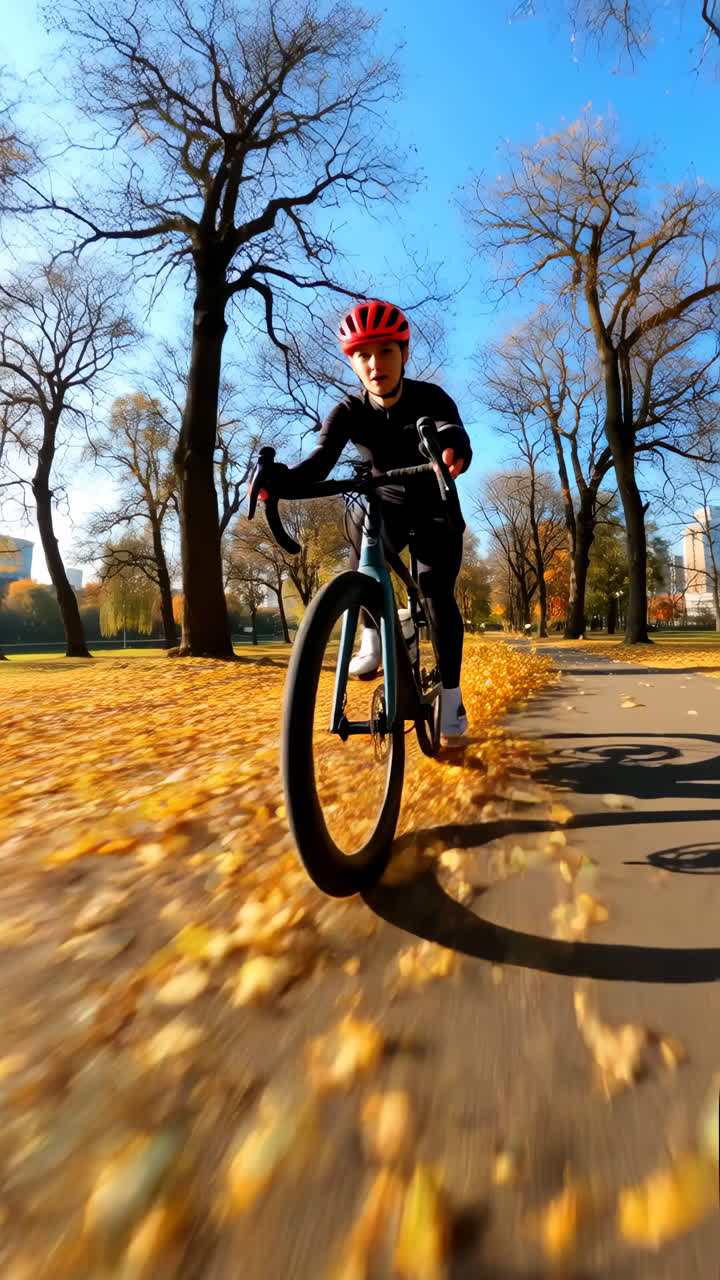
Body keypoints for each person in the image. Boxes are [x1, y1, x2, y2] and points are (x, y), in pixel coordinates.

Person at [261, 299, 473, 737]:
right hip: (384, 502)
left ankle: (452, 698)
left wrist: (453, 446)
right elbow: (319, 463)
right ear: (352, 362)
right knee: (361, 530)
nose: (375, 364)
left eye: (386, 351)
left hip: (434, 503)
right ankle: (373, 636)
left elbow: (451, 430)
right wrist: (278, 480)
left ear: (404, 353)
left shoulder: (431, 397)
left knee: (435, 593)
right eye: (363, 355)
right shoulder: (348, 411)